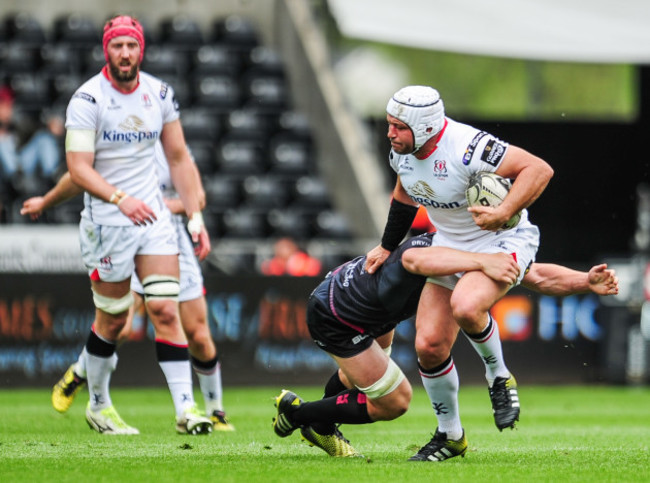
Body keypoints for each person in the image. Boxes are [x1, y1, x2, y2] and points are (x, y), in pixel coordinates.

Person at [272, 232, 618, 459]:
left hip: (369, 313)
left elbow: (534, 275)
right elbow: (413, 261)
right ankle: (297, 414)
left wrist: (585, 281)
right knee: (394, 402)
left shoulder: (471, 249)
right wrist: (483, 262)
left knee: (355, 381)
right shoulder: (437, 248)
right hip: (337, 315)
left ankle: (319, 427)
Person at [363, 85, 555, 459]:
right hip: (450, 242)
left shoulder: (469, 147)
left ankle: (498, 376)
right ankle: (450, 436)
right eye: (389, 124)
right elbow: (404, 196)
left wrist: (503, 211)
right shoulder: (402, 152)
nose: (390, 133)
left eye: (399, 127)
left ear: (426, 127)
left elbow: (539, 169)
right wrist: (386, 245)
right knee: (429, 346)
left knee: (467, 307)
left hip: (503, 239)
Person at [61, 14, 210, 435]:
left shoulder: (159, 93)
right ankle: (98, 403)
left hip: (154, 220)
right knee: (112, 321)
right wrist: (119, 199)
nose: (124, 53)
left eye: (131, 45)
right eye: (116, 46)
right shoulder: (87, 100)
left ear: (140, 49)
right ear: (106, 50)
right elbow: (77, 168)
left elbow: (179, 158)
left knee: (165, 308)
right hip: (108, 220)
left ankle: (186, 410)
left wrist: (195, 217)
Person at [21, 142, 234, 432]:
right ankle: (83, 376)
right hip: (122, 237)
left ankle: (215, 412)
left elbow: (196, 197)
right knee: (119, 325)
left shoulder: (172, 143)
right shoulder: (114, 135)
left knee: (197, 331)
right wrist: (47, 200)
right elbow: (79, 174)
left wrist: (166, 208)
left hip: (167, 239)